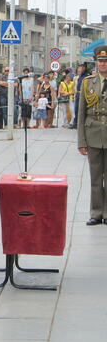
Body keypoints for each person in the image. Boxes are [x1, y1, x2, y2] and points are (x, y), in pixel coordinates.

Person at [78, 45, 107, 226]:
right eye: (101, 61)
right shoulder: (88, 82)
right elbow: (81, 113)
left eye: (106, 61)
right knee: (95, 177)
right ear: (96, 63)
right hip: (93, 132)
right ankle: (96, 213)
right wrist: (81, 141)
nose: (103, 64)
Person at [72, 64, 90, 129]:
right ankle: (76, 123)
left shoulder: (87, 76)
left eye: (80, 68)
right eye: (79, 68)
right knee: (76, 109)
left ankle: (80, 123)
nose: (79, 70)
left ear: (84, 68)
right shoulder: (80, 76)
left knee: (82, 109)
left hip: (83, 95)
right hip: (78, 94)